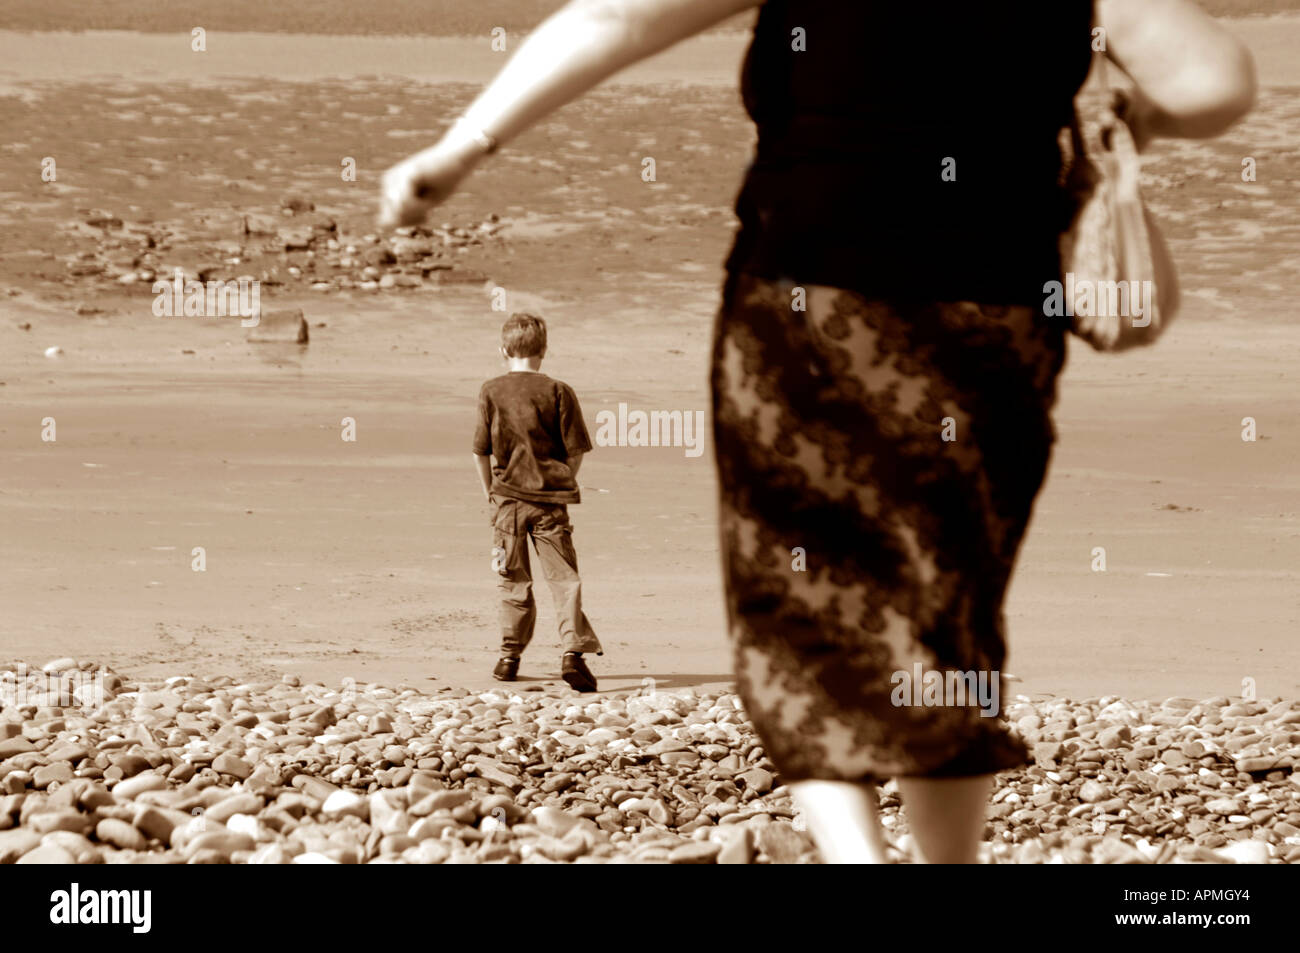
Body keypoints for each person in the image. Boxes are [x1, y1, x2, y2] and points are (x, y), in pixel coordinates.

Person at [382, 0, 1255, 863]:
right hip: (996, 323)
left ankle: (856, 857)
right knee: (945, 612)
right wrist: (1115, 114)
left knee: (795, 610)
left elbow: (616, 19)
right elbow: (1218, 81)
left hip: (805, 301)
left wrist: (463, 146)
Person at [472, 313, 603, 692]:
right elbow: (577, 450)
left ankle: (509, 657)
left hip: (507, 504)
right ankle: (571, 653)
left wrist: (489, 492)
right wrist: (563, 478)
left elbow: (480, 452)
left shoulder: (490, 391)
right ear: (544, 351)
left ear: (503, 351)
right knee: (564, 579)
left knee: (511, 579)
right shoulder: (559, 391)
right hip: (551, 503)